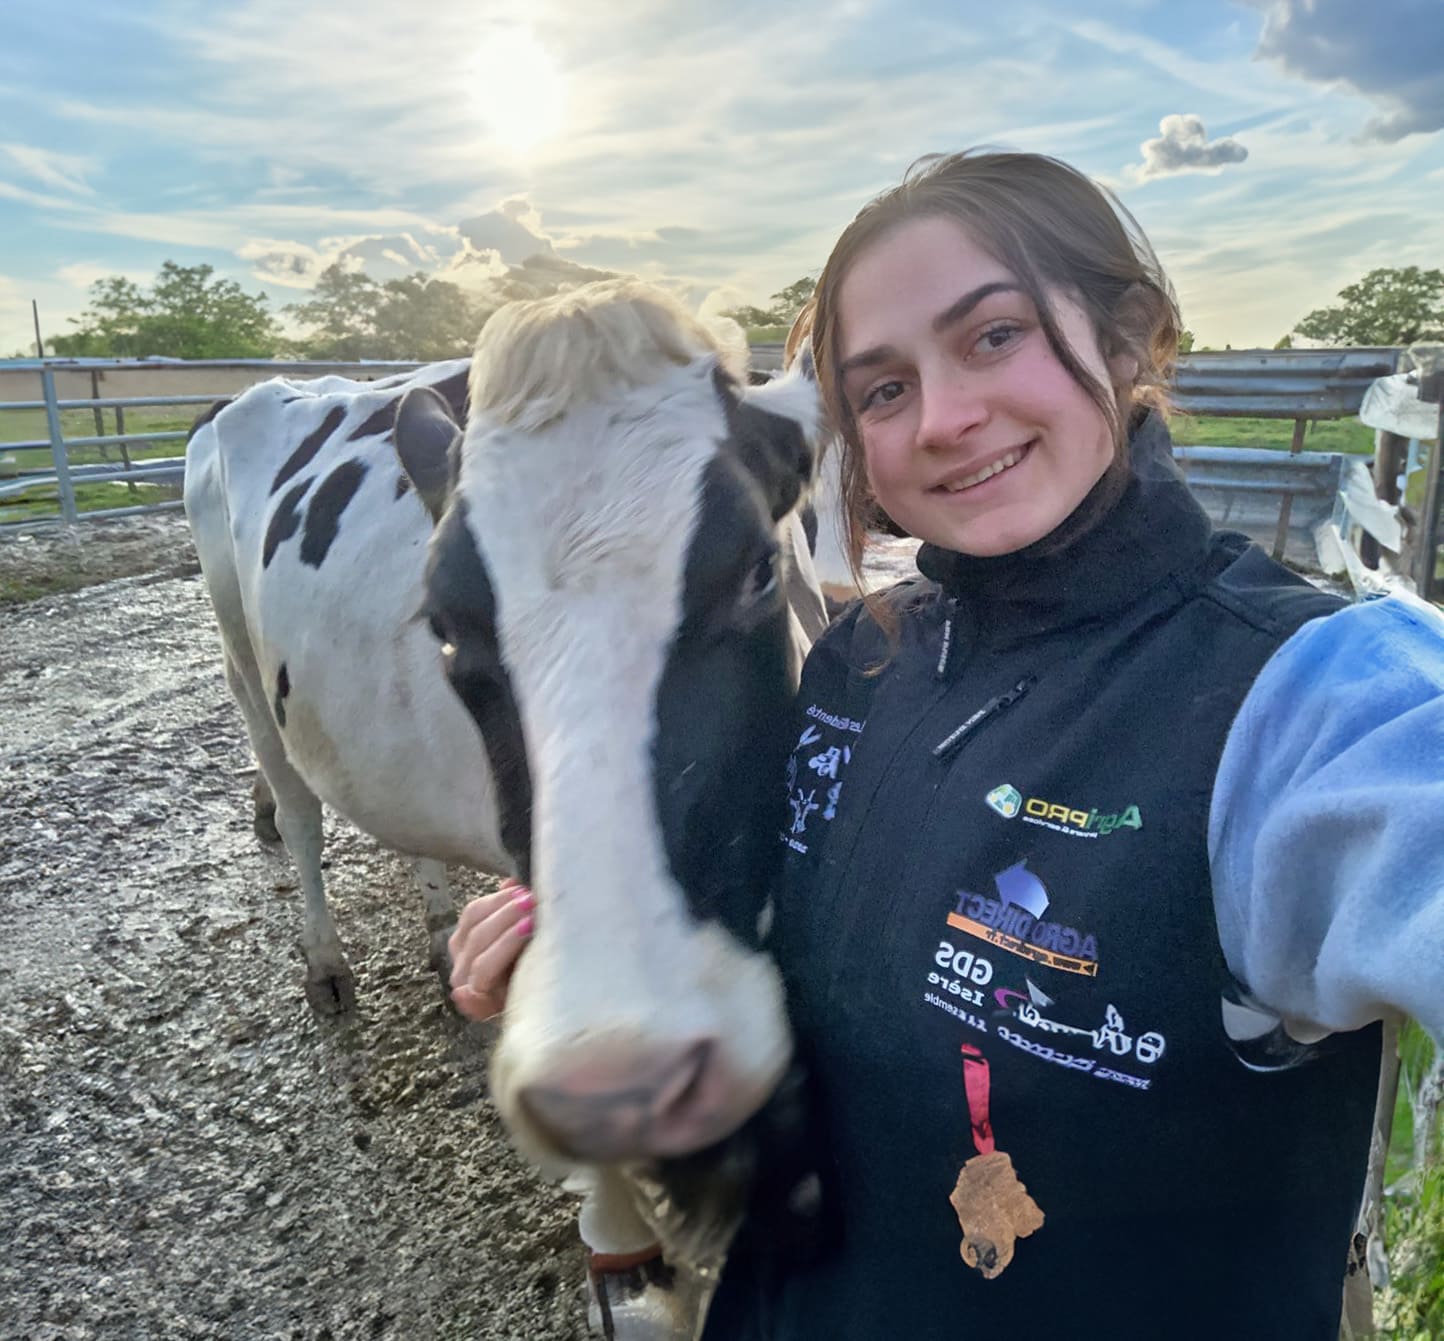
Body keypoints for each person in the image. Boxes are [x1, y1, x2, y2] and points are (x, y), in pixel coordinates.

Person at [449, 150, 1444, 1340]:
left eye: (992, 337)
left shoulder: (1307, 699)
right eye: (879, 389)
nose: (944, 419)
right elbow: (778, 967)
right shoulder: (855, 666)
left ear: (1130, 339)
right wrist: (584, 966)